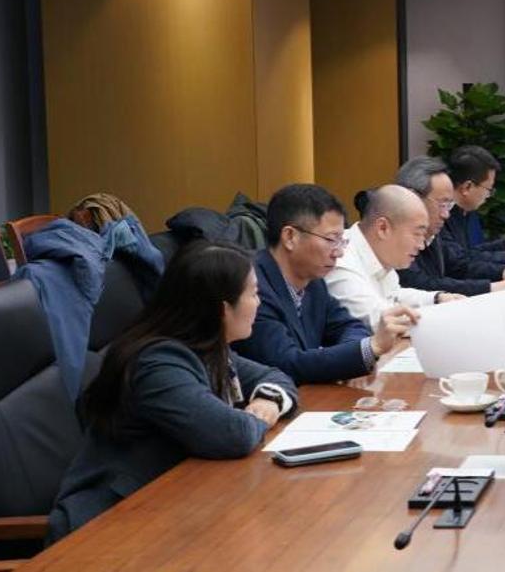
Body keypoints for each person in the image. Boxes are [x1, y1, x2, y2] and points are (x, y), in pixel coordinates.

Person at [48, 242, 298, 542]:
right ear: (222, 309)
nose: (259, 302)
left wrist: (269, 400)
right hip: (106, 526)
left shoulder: (206, 347)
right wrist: (258, 418)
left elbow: (275, 377)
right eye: (254, 293)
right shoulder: (158, 363)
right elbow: (233, 434)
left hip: (169, 509)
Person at [232, 183, 417, 384]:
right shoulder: (252, 287)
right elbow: (286, 364)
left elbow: (350, 326)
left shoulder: (313, 282)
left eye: (341, 240)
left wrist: (353, 356)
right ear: (290, 237)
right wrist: (371, 348)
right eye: (331, 239)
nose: (339, 252)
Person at [328, 184, 463, 330]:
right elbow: (380, 321)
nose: (421, 246)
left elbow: (394, 295)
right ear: (383, 228)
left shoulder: (378, 255)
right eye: (417, 234)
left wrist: (437, 299)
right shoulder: (340, 260)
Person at [394, 156, 505, 296]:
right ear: (413, 198)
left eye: (449, 205)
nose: (446, 214)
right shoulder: (393, 237)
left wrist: (503, 272)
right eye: (442, 204)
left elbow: (458, 265)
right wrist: (491, 288)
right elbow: (421, 284)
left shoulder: (433, 231)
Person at [433, 146, 505, 291]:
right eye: (489, 189)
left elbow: (467, 253)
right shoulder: (439, 217)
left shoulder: (463, 212)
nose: (488, 196)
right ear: (467, 187)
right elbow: (458, 264)